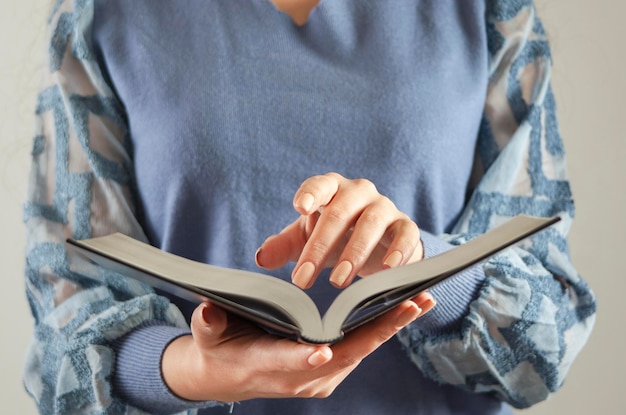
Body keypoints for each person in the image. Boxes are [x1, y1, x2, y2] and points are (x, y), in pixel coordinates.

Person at [22, 0, 597, 414]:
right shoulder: (99, 16)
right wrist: (190, 370)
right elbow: (63, 332)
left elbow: (548, 345)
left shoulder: (493, 14)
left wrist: (418, 266)